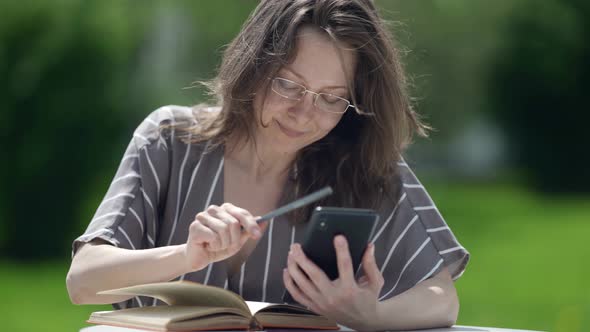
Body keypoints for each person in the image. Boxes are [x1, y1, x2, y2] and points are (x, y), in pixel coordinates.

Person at [66, 0, 469, 330]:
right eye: (289, 85)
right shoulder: (168, 138)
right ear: (254, 66)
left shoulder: (364, 162)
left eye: (331, 98)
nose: (303, 114)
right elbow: (83, 281)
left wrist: (371, 316)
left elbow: (441, 298)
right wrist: (187, 256)